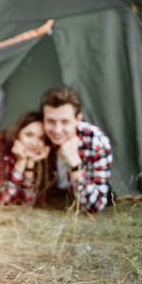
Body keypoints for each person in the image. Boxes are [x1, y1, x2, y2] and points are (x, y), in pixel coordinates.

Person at [39, 86, 113, 214]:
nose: (57, 130)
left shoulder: (96, 142)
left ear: (77, 119)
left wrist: (75, 165)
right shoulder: (37, 135)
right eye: (51, 121)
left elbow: (95, 206)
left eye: (65, 122)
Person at [0, 110, 51, 206]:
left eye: (41, 138)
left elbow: (28, 203)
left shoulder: (37, 157)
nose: (35, 143)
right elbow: (1, 200)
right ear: (17, 133)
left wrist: (29, 164)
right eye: (29, 135)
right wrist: (20, 162)